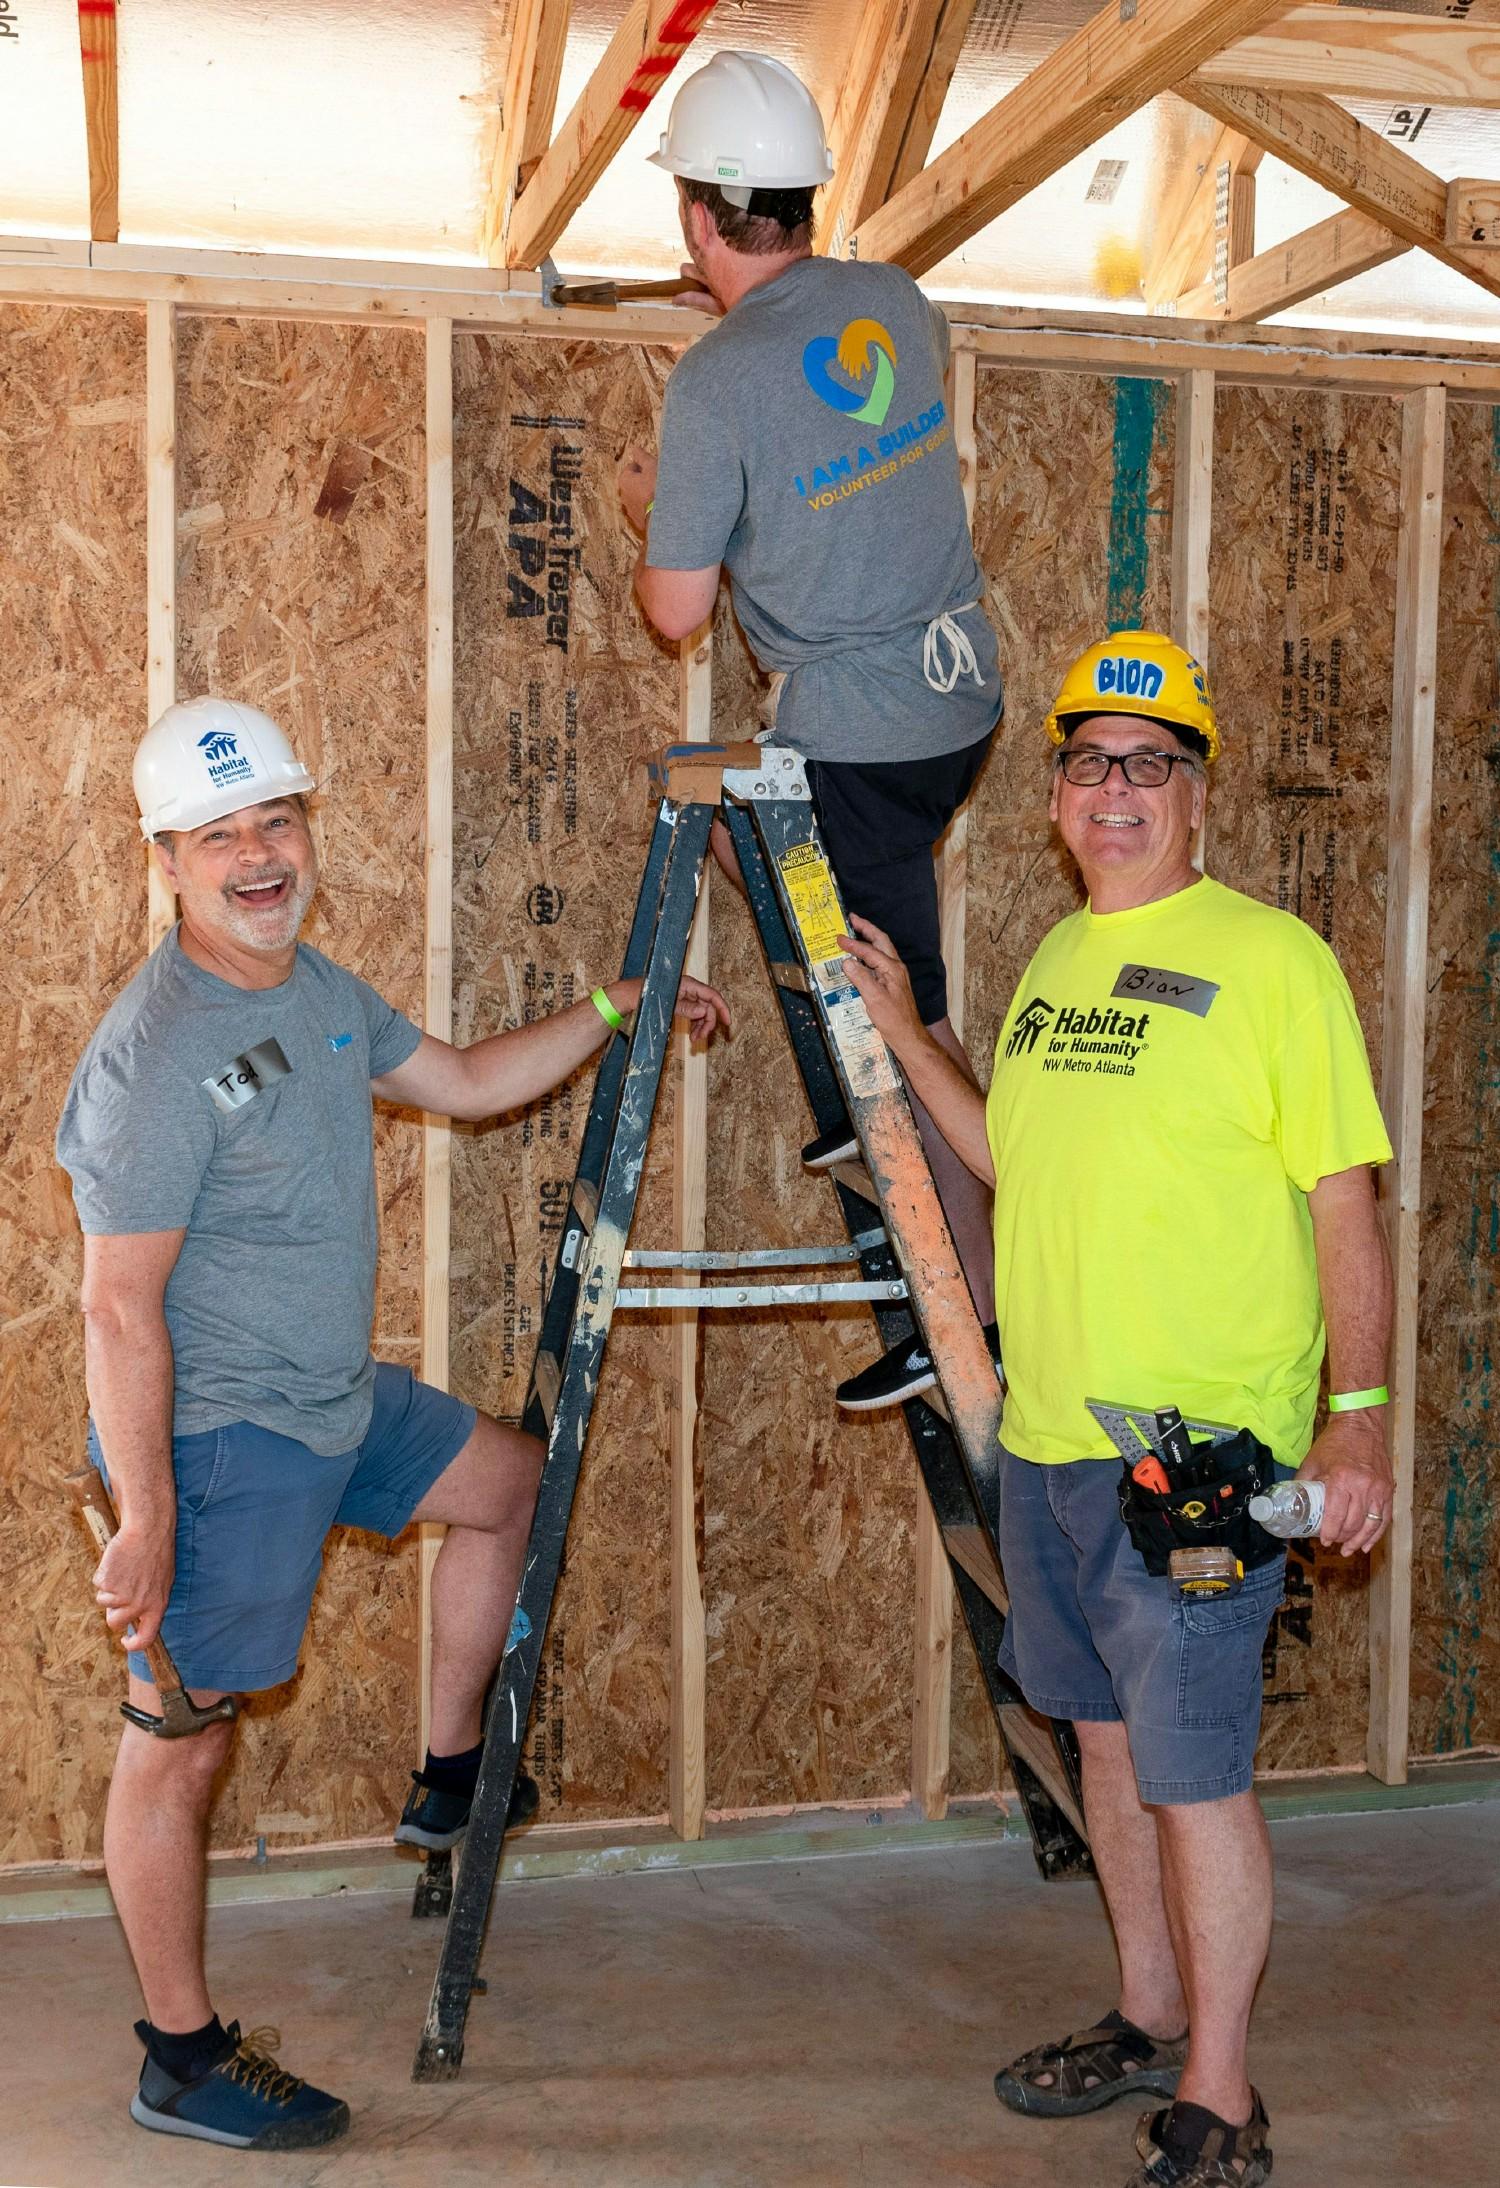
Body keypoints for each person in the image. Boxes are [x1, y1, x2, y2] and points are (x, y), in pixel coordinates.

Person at [56, 697, 728, 2153]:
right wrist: (154, 1511)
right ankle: (177, 2056)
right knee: (175, 1746)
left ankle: (445, 1776)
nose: (257, 855)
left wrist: (623, 1005)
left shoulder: (318, 993)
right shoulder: (155, 1057)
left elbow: (471, 1081)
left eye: (276, 823)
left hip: (333, 1401)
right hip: (220, 1442)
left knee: (509, 1486)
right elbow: (118, 1310)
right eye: (219, 835)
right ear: (164, 860)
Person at [836, 632, 1396, 2188]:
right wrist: (908, 1036)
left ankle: (1223, 2091)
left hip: (1195, 1451)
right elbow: (1018, 1160)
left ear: (1197, 794)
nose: (1118, 789)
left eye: (1152, 764)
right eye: (1091, 762)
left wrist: (1356, 1417)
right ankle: (1147, 2010)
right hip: (1057, 1439)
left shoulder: (1275, 963)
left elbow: (1346, 1205)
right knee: (1097, 1733)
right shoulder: (1053, 968)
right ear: (1062, 796)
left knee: (1195, 1766)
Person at [615, 49, 1004, 1413]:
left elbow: (675, 614)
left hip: (864, 738)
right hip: (962, 701)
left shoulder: (714, 382)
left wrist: (645, 504)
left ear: (698, 219)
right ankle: (918, 1212)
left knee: (897, 1019)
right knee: (817, 915)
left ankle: (969, 1314)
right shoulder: (896, 301)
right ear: (803, 203)